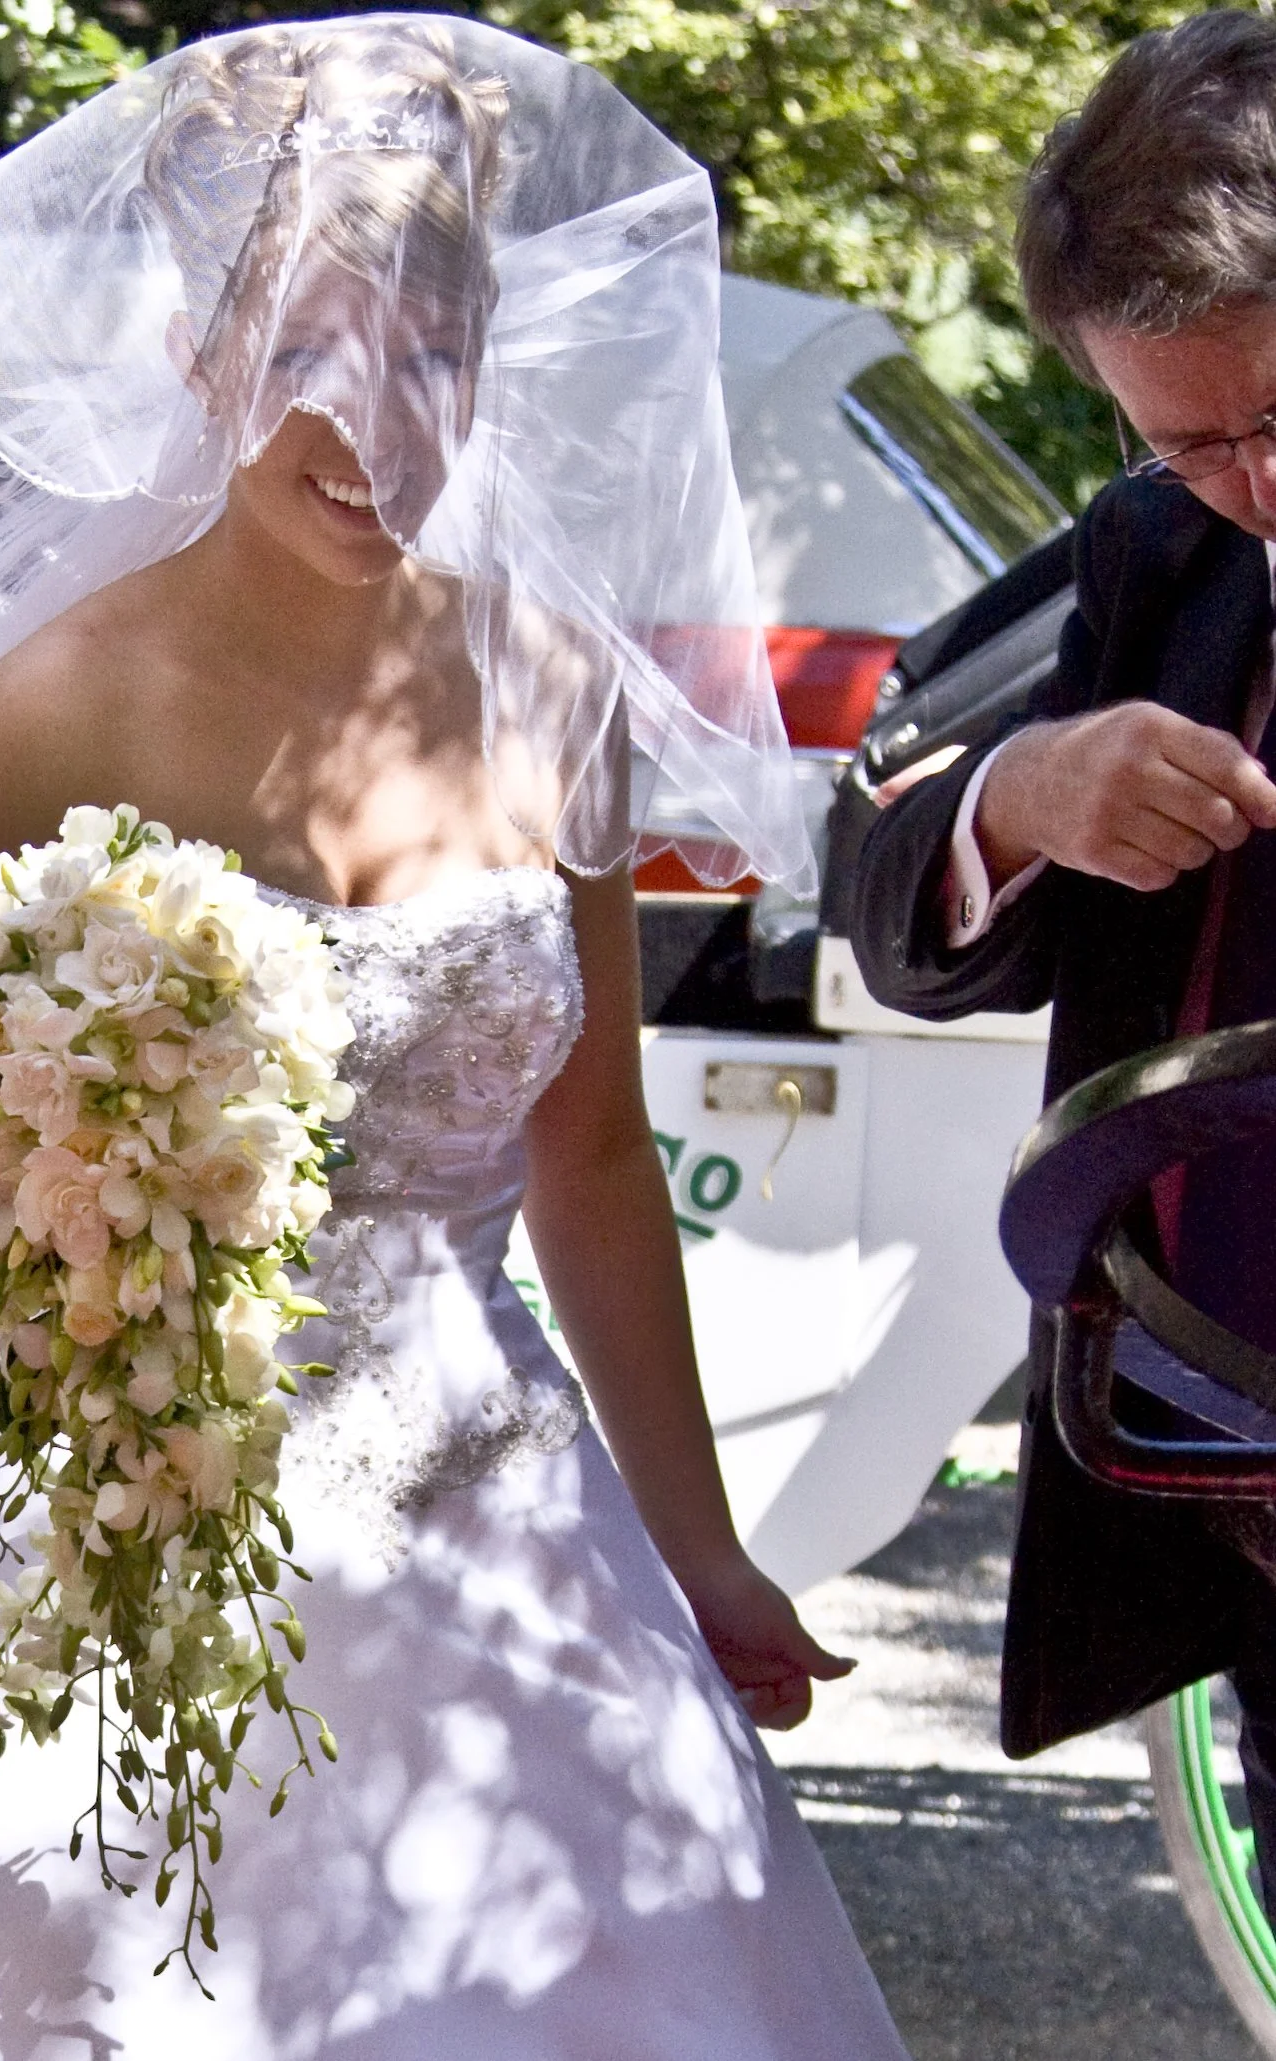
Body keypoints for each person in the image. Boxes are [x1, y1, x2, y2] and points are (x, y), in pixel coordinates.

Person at [0, 19, 905, 2056]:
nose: (372, 418)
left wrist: (702, 1547)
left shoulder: (547, 679)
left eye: (426, 356)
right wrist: (113, 1275)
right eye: (311, 351)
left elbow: (589, 1156)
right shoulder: (62, 704)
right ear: (205, 361)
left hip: (500, 1518)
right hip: (140, 1497)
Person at [850, 9, 1276, 1886]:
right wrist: (1022, 794)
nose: (1257, 487)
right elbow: (878, 851)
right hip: (1244, 1475)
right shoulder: (1154, 552)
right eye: (1190, 442)